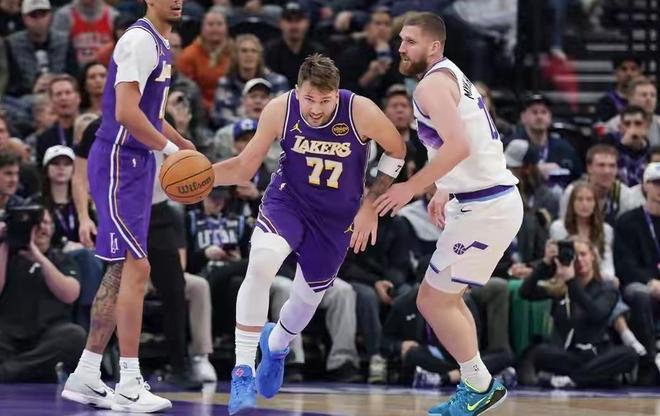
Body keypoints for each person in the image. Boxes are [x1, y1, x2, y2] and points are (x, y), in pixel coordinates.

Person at [211, 53, 406, 414]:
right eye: (309, 99)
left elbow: (397, 151)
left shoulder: (360, 111)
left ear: (337, 93)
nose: (315, 109)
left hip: (335, 218)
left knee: (304, 303)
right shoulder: (279, 109)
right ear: (298, 91)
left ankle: (277, 346)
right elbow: (243, 167)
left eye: (325, 100)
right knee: (261, 265)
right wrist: (204, 177)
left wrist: (370, 204)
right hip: (288, 202)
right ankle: (242, 371)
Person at [374, 13, 523, 415]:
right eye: (401, 40)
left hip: (486, 206)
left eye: (410, 41)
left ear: (434, 46)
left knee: (433, 302)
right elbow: (464, 138)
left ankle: (480, 385)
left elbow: (459, 145)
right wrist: (443, 186)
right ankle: (477, 385)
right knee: (444, 300)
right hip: (480, 200)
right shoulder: (448, 75)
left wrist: (411, 186)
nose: (401, 48)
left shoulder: (431, 86)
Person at [61, 0, 195, 413]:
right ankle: (130, 383)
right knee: (138, 267)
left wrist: (183, 143)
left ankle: (86, 373)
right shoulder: (139, 40)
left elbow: (150, 114)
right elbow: (124, 112)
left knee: (121, 270)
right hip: (120, 162)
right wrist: (170, 150)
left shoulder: (160, 42)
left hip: (134, 164)